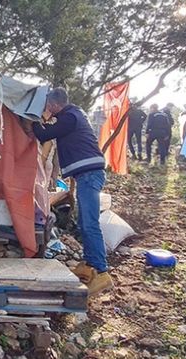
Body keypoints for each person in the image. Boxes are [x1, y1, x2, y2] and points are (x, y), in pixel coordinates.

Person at [30, 88, 112, 295]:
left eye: (49, 106)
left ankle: (101, 273)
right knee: (86, 222)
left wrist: (31, 118)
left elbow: (42, 134)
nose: (48, 110)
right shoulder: (74, 115)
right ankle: (89, 265)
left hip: (89, 175)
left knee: (90, 224)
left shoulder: (69, 118)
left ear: (56, 104)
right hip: (87, 175)